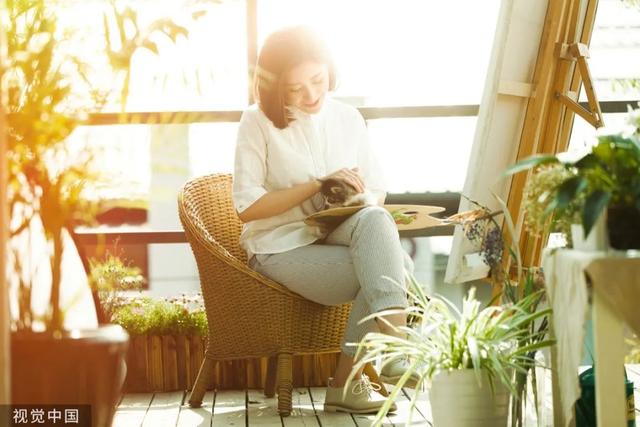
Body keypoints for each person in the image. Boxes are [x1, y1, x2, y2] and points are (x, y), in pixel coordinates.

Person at [232, 26, 415, 414]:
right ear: (274, 87)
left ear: (330, 69)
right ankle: (364, 371)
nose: (312, 95)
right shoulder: (256, 122)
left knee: (377, 219)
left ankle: (388, 351)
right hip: (278, 244)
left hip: (335, 231)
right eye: (295, 89)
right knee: (393, 266)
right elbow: (247, 207)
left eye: (317, 80)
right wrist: (317, 185)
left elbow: (377, 188)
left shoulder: (348, 117)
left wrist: (355, 197)